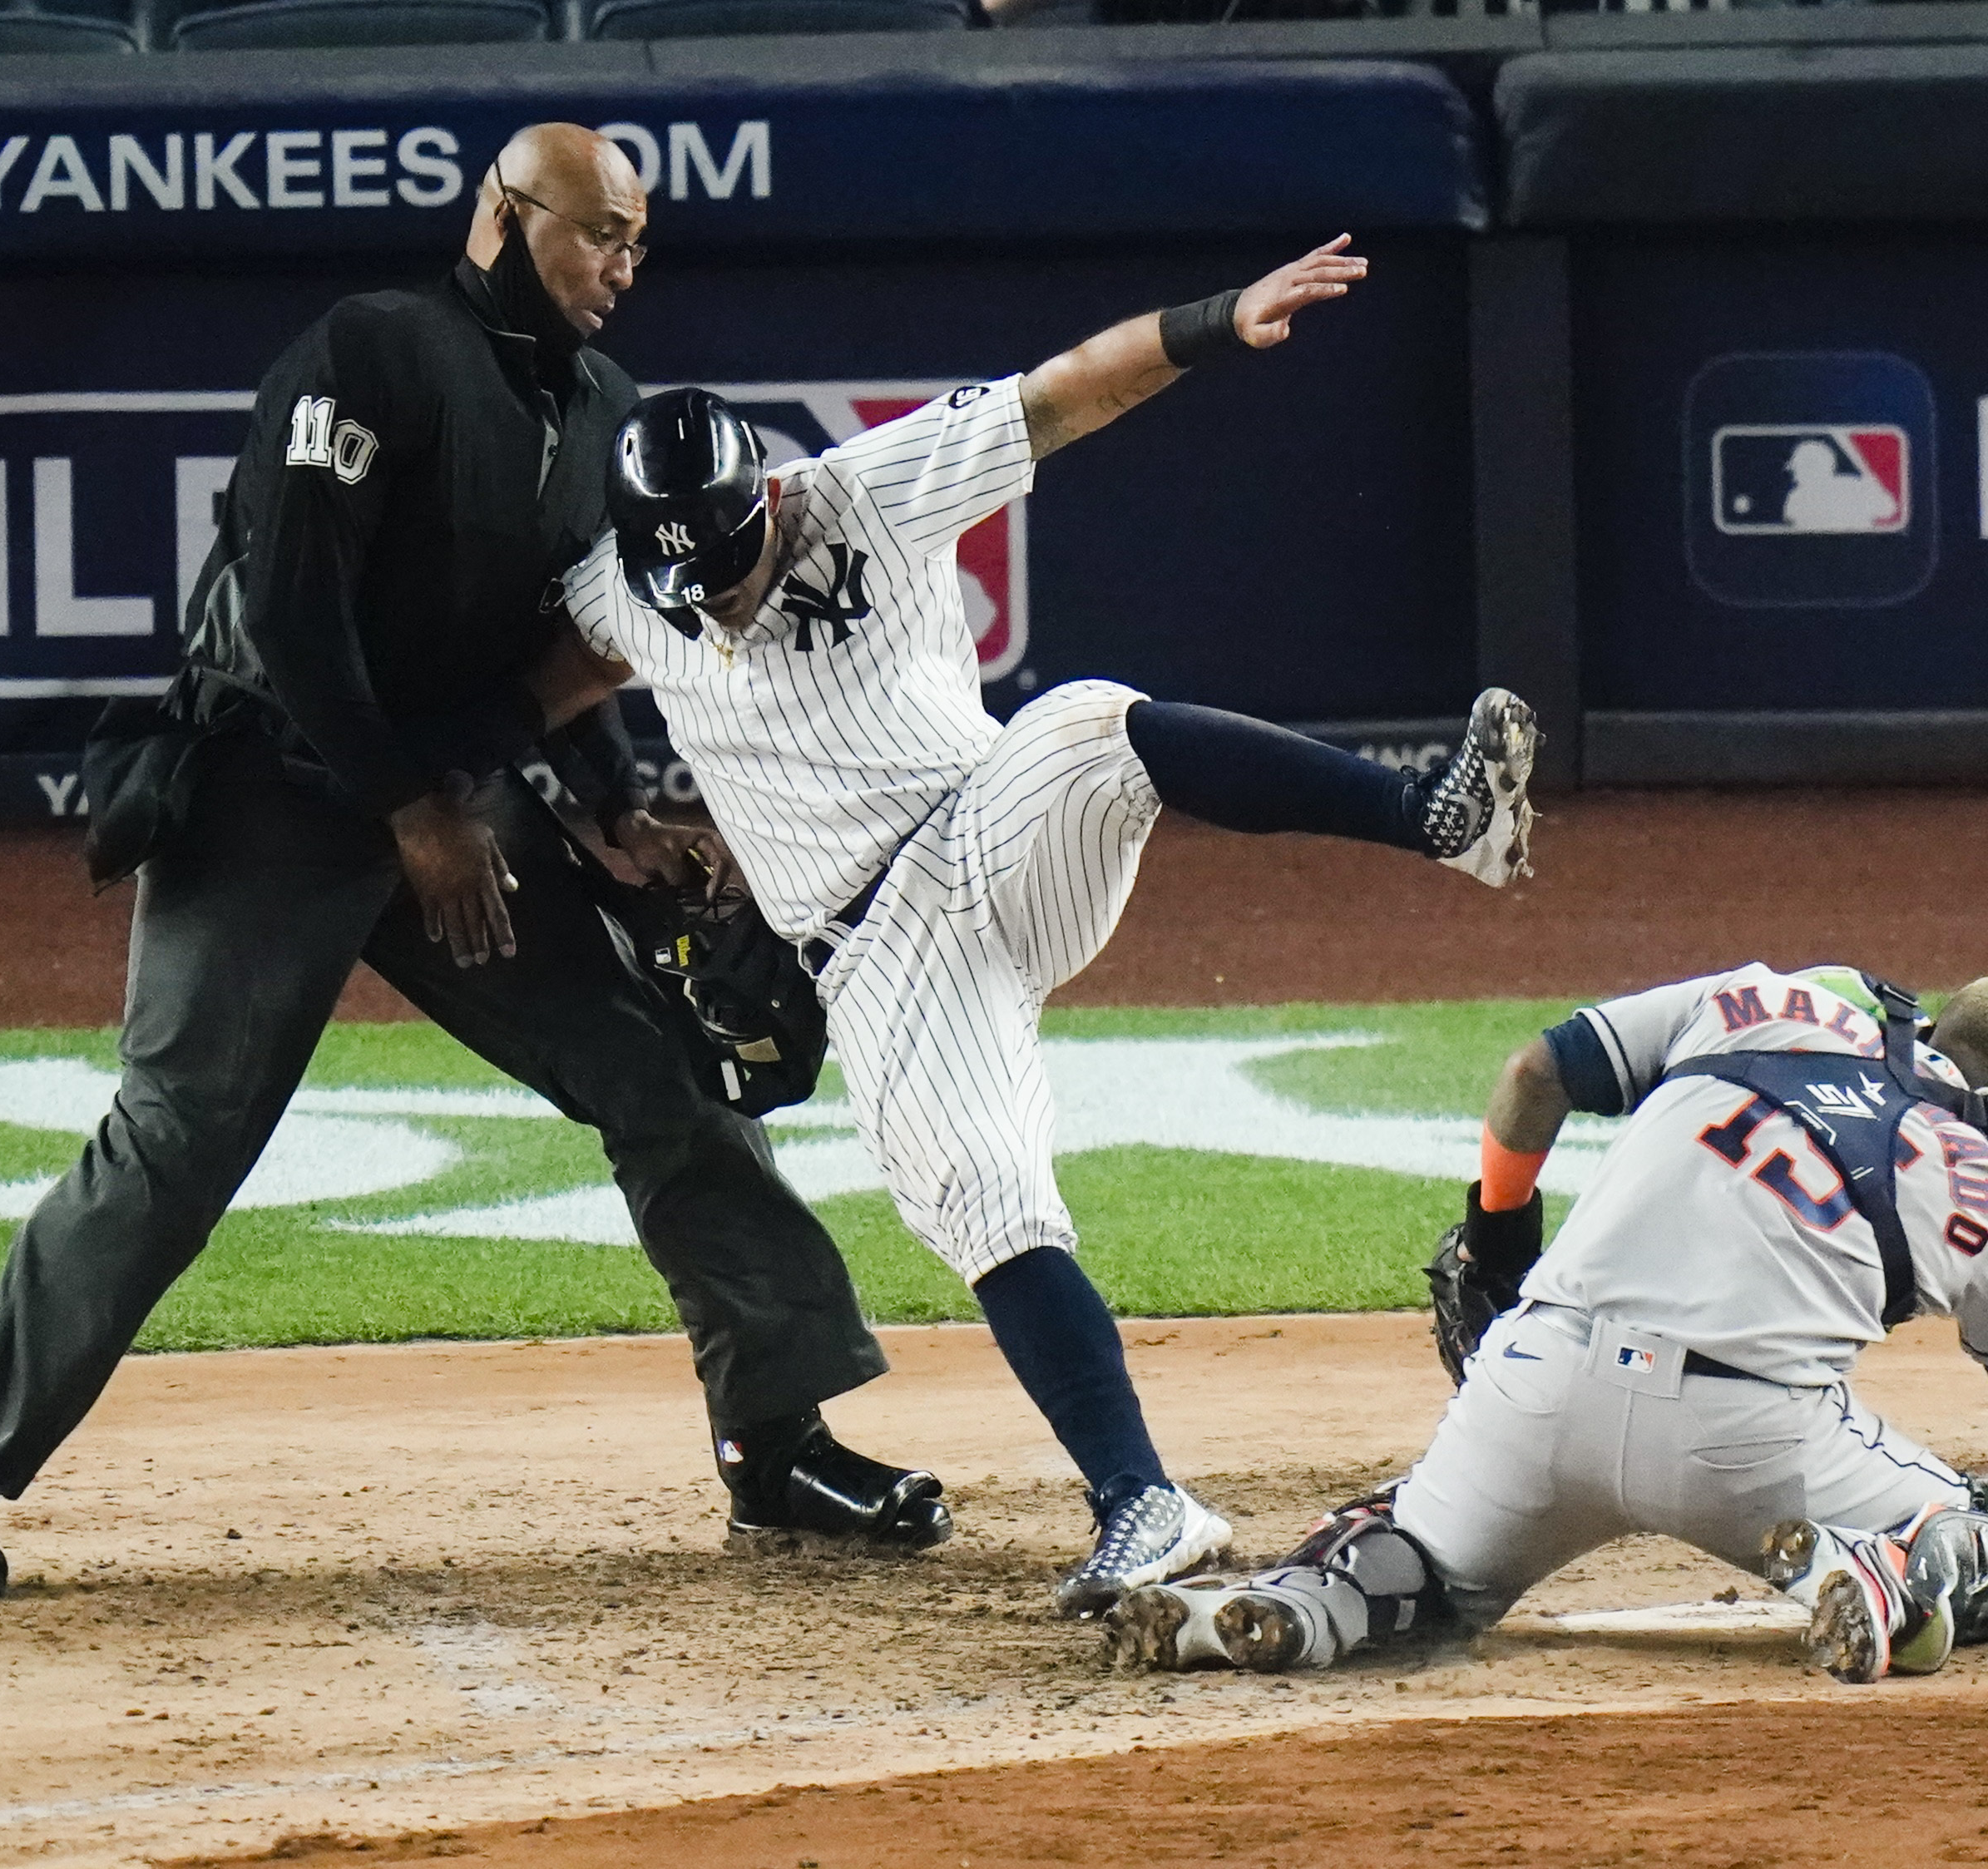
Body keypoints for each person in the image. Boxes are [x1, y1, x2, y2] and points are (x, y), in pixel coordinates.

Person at [0, 124, 942, 1605]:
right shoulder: (376, 349)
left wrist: (610, 813)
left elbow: (573, 645)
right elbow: (298, 608)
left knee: (665, 1070)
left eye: (638, 243)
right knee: (181, 1134)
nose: (623, 265)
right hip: (271, 788)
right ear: (505, 212)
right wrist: (416, 814)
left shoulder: (603, 405)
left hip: (451, 804)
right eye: (598, 232)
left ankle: (777, 1440)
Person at [527, 235, 1541, 1617]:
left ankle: (1439, 815)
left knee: (1080, 725)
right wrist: (566, 819)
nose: (712, 591)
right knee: (982, 1192)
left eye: (726, 556)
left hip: (992, 827)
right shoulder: (627, 592)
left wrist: (1220, 318)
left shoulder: (859, 492)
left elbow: (1065, 394)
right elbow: (537, 690)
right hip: (872, 956)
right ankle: (1145, 1503)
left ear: (762, 495)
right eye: (680, 576)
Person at [1105, 964, 1988, 1682]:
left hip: (1535, 1379)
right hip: (1747, 1447)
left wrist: (1497, 1248)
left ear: (1933, 1019)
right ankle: (1880, 1575)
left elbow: (1536, 1074)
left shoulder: (1767, 1001)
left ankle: (1300, 1604)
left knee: (1420, 1551)